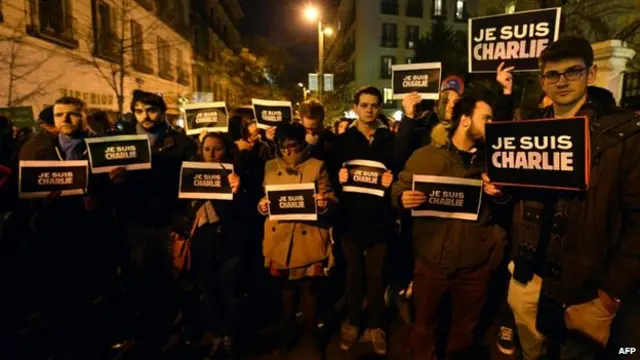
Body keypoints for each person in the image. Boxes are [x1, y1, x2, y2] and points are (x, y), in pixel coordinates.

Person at [490, 36, 640, 359]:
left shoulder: (622, 135)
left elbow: (637, 222)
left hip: (583, 291)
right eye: (553, 75)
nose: (562, 82)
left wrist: (609, 295)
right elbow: (509, 203)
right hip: (527, 278)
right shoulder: (526, 130)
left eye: (572, 72)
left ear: (592, 73)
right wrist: (499, 190)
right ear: (543, 81)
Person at [391, 93, 507, 360]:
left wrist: (499, 194)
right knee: (423, 326)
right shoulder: (425, 156)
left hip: (475, 264)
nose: (492, 123)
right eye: (486, 118)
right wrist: (400, 197)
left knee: (466, 329)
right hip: (432, 261)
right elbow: (399, 186)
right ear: (465, 120)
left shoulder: (496, 160)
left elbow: (509, 207)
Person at [109, 89, 197, 357]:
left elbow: (192, 182)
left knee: (172, 277)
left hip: (169, 221)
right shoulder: (120, 142)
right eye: (138, 111)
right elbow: (103, 185)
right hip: (136, 221)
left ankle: (174, 328)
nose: (145, 116)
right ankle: (145, 333)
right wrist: (114, 180)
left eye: (151, 110)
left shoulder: (181, 144)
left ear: (162, 111)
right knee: (139, 278)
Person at [258, 122, 336, 358]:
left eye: (294, 146)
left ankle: (311, 336)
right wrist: (262, 206)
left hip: (308, 236)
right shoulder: (270, 166)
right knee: (286, 289)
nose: (289, 152)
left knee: (310, 290)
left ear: (303, 144)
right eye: (284, 147)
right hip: (280, 237)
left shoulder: (317, 166)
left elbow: (331, 198)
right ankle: (287, 334)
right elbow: (266, 196)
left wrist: (325, 203)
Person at [332, 86, 396, 355]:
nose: (369, 109)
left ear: (379, 108)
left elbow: (398, 172)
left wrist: (390, 182)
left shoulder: (389, 140)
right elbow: (331, 177)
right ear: (356, 107)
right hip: (351, 219)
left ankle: (375, 325)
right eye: (364, 105)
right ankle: (353, 321)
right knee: (354, 274)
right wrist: (339, 179)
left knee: (377, 276)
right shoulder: (343, 140)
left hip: (380, 219)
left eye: (374, 105)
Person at [176, 132, 245, 359]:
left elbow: (240, 215)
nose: (212, 154)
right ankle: (216, 334)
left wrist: (235, 189)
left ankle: (231, 336)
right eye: (207, 149)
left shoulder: (237, 172)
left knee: (230, 292)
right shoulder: (192, 173)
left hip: (229, 243)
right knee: (209, 291)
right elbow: (183, 209)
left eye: (217, 149)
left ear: (226, 150)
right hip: (202, 244)